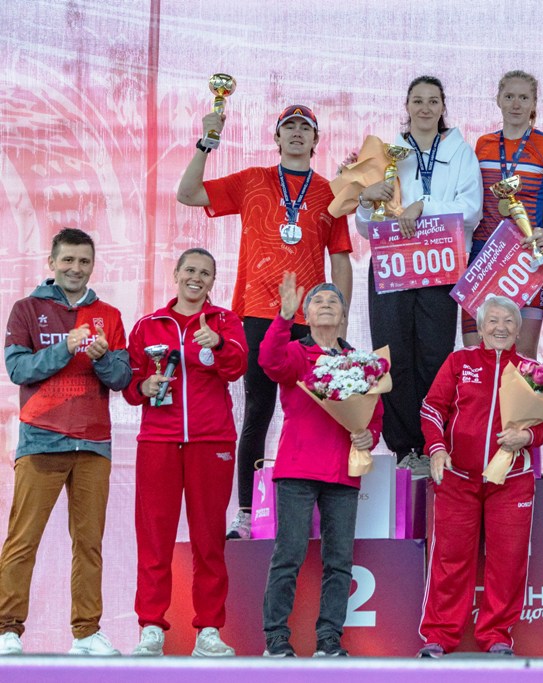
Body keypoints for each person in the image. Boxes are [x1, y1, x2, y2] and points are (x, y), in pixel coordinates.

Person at [177, 103, 354, 540]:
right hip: (257, 312)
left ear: (315, 140)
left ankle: (310, 516)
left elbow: (340, 260)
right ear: (276, 138)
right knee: (259, 410)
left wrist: (340, 321)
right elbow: (188, 193)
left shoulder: (330, 193)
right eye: (288, 127)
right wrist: (206, 143)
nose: (296, 133)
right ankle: (245, 512)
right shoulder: (252, 180)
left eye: (305, 128)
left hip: (310, 321)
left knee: (316, 415)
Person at [0, 228, 131, 656]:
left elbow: (122, 378)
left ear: (93, 265)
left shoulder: (109, 314)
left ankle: (86, 633)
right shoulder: (26, 308)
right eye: (68, 260)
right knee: (23, 540)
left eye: (84, 261)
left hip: (93, 443)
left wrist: (103, 358)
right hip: (41, 439)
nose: (76, 268)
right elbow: (18, 370)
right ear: (52, 262)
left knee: (89, 543)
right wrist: (66, 348)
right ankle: (6, 629)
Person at [417, 296, 543, 658]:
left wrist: (527, 436)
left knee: (508, 561)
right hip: (457, 478)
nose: (500, 328)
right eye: (493, 321)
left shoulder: (533, 370)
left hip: (512, 482)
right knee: (449, 559)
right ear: (479, 328)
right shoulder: (459, 362)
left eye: (509, 322)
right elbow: (432, 408)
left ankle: (496, 636)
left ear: (519, 330)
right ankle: (439, 636)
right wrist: (437, 448)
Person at [123, 248, 247, 657]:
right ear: (176, 274)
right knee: (154, 539)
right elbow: (131, 386)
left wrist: (219, 344)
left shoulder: (225, 321)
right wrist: (144, 387)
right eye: (190, 270)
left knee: (209, 540)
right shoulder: (148, 325)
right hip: (158, 441)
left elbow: (237, 368)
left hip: (212, 441)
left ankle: (208, 629)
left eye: (205, 273)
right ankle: (151, 627)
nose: (197, 278)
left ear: (213, 280)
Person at [354, 75, 483, 463]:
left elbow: (472, 211)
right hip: (392, 264)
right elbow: (366, 228)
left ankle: (432, 445)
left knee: (434, 356)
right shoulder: (384, 154)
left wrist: (423, 205)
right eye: (418, 100)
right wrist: (365, 201)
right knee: (393, 356)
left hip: (439, 264)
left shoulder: (461, 153)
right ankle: (402, 448)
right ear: (407, 106)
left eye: (433, 101)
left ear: (443, 107)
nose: (425, 108)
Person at [257, 273, 382, 658]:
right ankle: (275, 638)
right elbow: (268, 362)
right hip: (296, 469)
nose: (326, 304)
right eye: (318, 301)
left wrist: (369, 437)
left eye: (333, 301)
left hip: (343, 472)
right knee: (288, 555)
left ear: (344, 315)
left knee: (339, 562)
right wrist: (283, 317)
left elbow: (374, 414)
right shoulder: (296, 353)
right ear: (307, 316)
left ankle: (329, 639)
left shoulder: (361, 362)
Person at [469, 70, 543, 358]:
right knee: (478, 356)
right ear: (498, 100)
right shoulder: (482, 144)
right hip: (483, 256)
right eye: (509, 96)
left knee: (523, 361)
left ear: (534, 103)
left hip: (526, 257)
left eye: (524, 98)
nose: (516, 104)